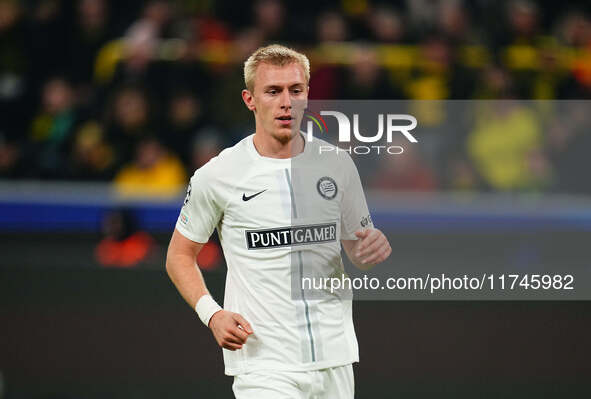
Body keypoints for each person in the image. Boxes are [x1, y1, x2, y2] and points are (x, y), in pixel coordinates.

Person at [165, 44, 391, 398]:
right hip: (263, 364)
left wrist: (371, 248)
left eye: (295, 90)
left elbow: (356, 251)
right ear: (250, 99)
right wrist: (212, 314)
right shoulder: (218, 175)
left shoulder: (338, 164)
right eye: (273, 91)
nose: (286, 101)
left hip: (335, 358)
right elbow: (179, 255)